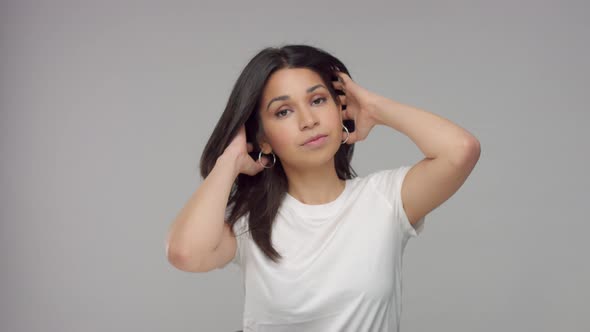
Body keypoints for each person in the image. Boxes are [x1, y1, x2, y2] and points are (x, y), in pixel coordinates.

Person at [165, 44, 480, 332]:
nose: (308, 120)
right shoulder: (250, 223)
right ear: (263, 138)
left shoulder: (384, 200)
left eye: (318, 100)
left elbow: (461, 150)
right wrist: (230, 160)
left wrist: (374, 108)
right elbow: (185, 254)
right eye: (283, 111)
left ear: (340, 109)